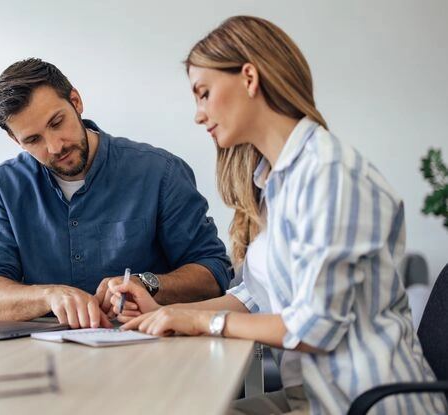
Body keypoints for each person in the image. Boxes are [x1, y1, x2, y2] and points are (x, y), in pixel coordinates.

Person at [111, 15, 447, 415]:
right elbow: (256, 296)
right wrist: (169, 313)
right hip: (317, 394)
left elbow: (313, 328)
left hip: (366, 403)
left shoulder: (329, 174)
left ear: (249, 78)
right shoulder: (275, 180)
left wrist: (204, 323)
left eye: (203, 93)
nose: (198, 114)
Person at [0, 58, 232, 329]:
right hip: (43, 359)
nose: (55, 147)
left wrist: (147, 283)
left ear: (76, 101)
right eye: (33, 140)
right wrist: (50, 295)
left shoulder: (160, 172)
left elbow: (212, 272)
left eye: (57, 122)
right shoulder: (4, 186)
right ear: (15, 140)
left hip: (147, 348)